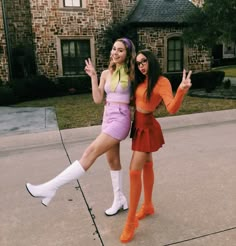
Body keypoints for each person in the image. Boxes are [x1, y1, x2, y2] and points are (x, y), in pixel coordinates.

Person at [25, 38, 136, 217]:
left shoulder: (132, 74)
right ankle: (120, 199)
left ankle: (49, 188)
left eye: (120, 50)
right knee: (113, 161)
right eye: (114, 49)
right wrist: (93, 76)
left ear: (127, 54)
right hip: (108, 117)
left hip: (121, 120)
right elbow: (98, 99)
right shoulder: (106, 73)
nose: (115, 53)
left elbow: (144, 87)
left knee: (89, 152)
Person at [120, 49, 192, 243]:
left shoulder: (162, 82)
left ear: (152, 61)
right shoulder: (140, 80)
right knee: (147, 165)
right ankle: (148, 205)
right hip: (140, 125)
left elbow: (171, 108)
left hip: (148, 128)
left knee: (134, 172)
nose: (141, 66)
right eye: (138, 63)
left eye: (144, 61)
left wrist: (181, 91)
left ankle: (130, 222)